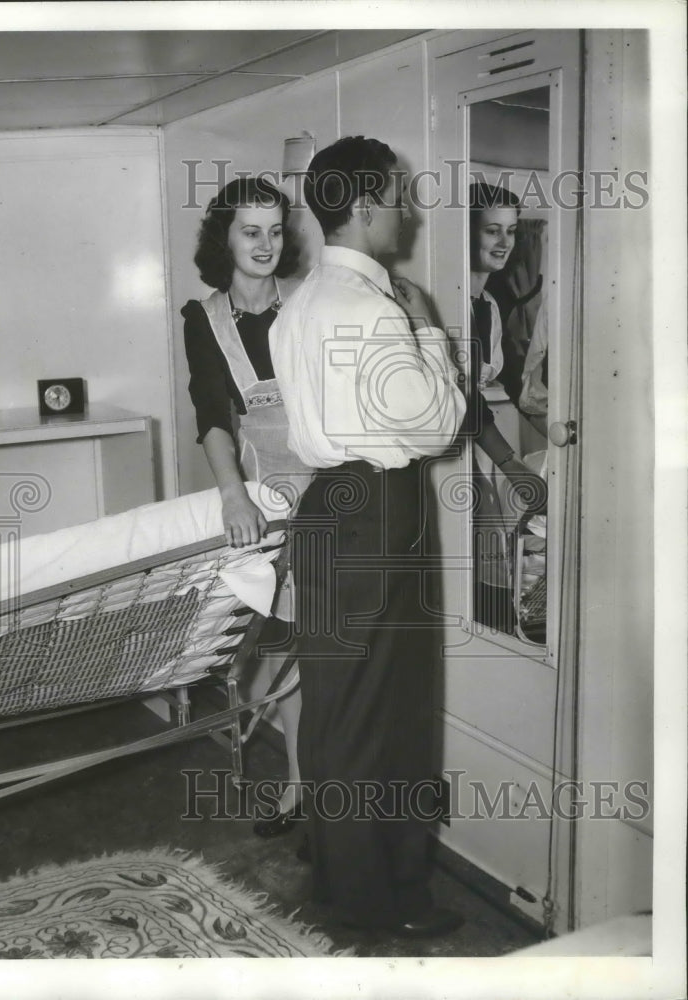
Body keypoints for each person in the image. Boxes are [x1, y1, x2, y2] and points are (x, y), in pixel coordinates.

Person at [270, 136, 467, 937]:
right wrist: (429, 335)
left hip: (324, 508)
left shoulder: (299, 305)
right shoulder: (377, 310)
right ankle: (384, 902)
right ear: (361, 207)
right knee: (394, 713)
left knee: (335, 710)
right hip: (382, 511)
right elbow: (437, 424)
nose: (407, 210)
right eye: (397, 195)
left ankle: (340, 882)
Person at [182, 177, 313, 834]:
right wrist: (232, 494)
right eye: (248, 230)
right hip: (268, 492)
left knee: (330, 646)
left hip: (337, 482)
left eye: (274, 229)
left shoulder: (310, 303)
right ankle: (301, 787)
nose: (264, 244)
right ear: (224, 239)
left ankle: (319, 789)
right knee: (287, 645)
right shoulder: (203, 319)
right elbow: (212, 416)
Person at [466, 182, 547, 633]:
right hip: (465, 449)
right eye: (491, 230)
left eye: (512, 231)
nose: (503, 243)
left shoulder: (490, 305)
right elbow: (462, 399)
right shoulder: (453, 301)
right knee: (479, 571)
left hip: (485, 444)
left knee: (498, 562)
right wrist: (512, 463)